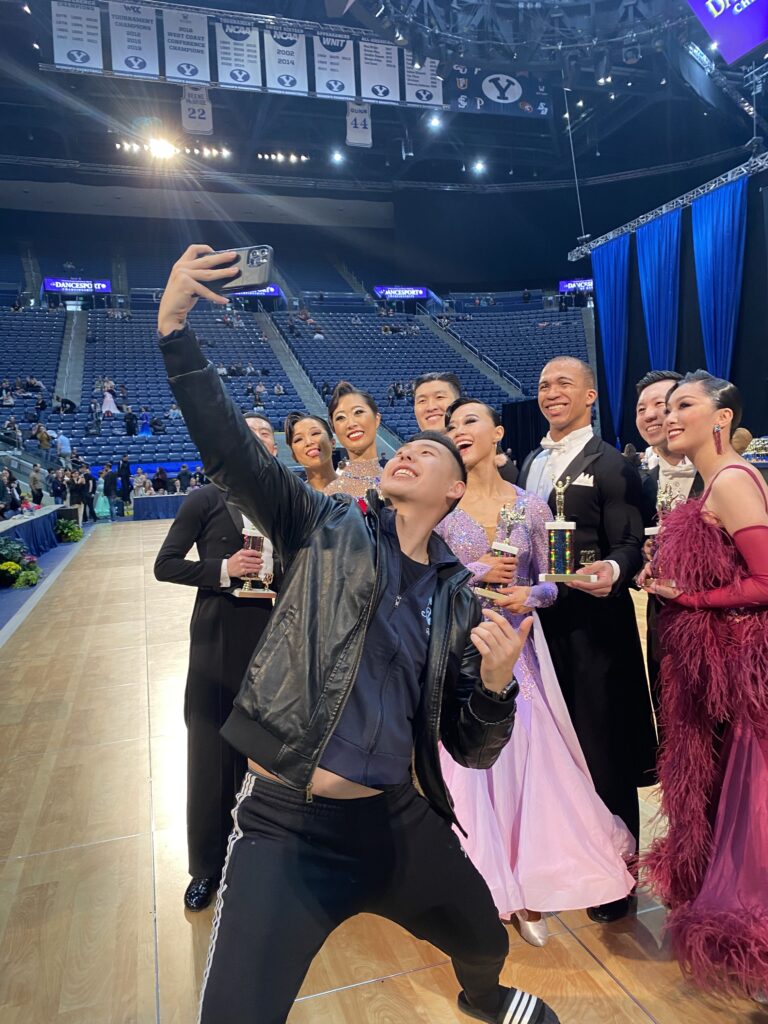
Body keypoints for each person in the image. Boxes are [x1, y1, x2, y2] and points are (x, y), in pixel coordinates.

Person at [154, 244, 559, 1024]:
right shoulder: (324, 523)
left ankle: (485, 1001)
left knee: (482, 939)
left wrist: (500, 687)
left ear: (450, 495)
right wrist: (176, 328)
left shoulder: (458, 600)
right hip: (285, 828)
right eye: (406, 446)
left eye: (431, 454)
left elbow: (471, 747)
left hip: (395, 820)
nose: (410, 451)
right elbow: (232, 454)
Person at [437, 398, 635, 945]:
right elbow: (423, 577)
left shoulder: (532, 505)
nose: (459, 431)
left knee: (523, 764)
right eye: (451, 426)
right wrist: (475, 574)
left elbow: (557, 579)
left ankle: (528, 887)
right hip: (459, 651)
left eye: (469, 421)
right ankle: (479, 884)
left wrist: (532, 592)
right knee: (466, 767)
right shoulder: (440, 507)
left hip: (519, 654)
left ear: (498, 433)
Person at [642, 370, 768, 1001]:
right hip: (717, 669)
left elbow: (767, 580)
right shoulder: (712, 478)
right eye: (665, 406)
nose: (668, 415)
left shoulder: (735, 480)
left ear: (722, 416)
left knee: (755, 803)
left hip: (744, 673)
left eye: (683, 404)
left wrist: (688, 594)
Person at [517, 357, 656, 922]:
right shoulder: (530, 462)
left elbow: (629, 543)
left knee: (604, 746)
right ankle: (569, 862)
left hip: (595, 626)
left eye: (563, 384)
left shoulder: (613, 465)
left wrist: (615, 572)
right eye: (544, 384)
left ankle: (619, 877)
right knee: (556, 748)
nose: (551, 392)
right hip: (540, 627)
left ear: (591, 395)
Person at [155, 414, 281, 911]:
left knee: (269, 758)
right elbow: (165, 565)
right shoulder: (204, 498)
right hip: (220, 636)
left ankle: (265, 859)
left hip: (276, 638)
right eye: (246, 431)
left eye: (267, 434)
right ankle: (207, 866)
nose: (257, 439)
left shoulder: (286, 502)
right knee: (211, 756)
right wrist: (223, 570)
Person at [634, 370, 703, 732]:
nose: (650, 415)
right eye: (640, 408)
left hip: (722, 625)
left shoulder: (726, 474)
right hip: (662, 624)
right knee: (673, 726)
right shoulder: (638, 483)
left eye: (660, 405)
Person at [413, 372, 518, 485]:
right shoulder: (407, 459)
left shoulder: (496, 467)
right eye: (422, 401)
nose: (431, 407)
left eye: (439, 397)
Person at [324, 381, 382, 498]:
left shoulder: (401, 480)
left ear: (377, 419)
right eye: (340, 418)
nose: (351, 424)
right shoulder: (331, 496)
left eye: (358, 412)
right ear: (334, 429)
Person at [284, 412, 336, 492]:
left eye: (315, 433)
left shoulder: (359, 488)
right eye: (298, 439)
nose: (308, 442)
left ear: (332, 442)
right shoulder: (292, 500)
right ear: (294, 456)